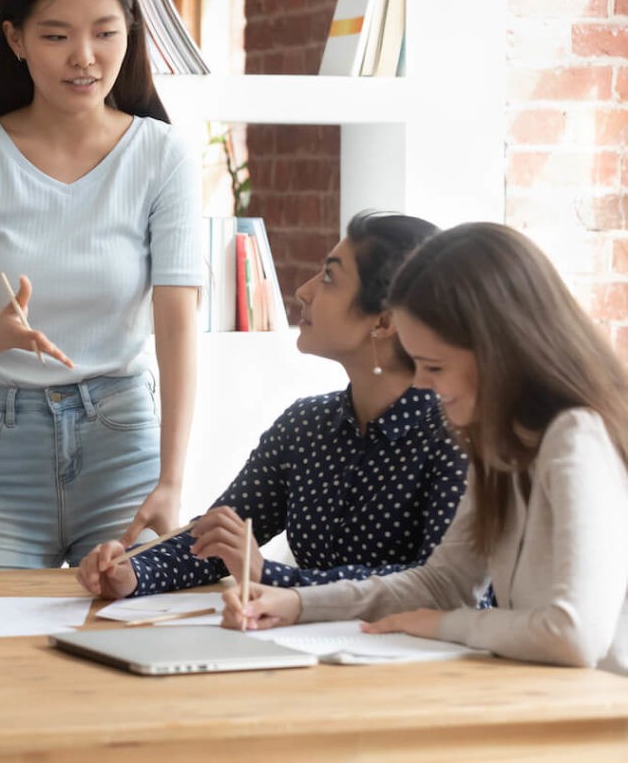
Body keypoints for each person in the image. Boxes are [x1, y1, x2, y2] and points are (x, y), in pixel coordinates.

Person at [223, 223, 628, 675]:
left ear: (498, 349)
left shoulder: (576, 436)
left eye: (434, 365)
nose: (420, 382)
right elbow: (442, 582)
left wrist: (449, 625)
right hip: (545, 699)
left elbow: (575, 636)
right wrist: (299, 604)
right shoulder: (497, 443)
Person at [0, 0, 205, 571]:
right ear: (16, 40)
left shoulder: (161, 155)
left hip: (122, 438)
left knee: (130, 640)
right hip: (0, 441)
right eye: (56, 36)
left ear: (131, 33)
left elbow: (177, 325)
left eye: (105, 33)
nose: (84, 57)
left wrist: (171, 480)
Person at [79, 212, 468, 599]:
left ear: (383, 322)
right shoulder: (305, 426)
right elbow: (214, 541)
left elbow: (445, 586)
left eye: (330, 277)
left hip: (422, 659)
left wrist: (271, 576)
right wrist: (133, 571)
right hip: (308, 649)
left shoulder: (459, 437)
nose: (304, 290)